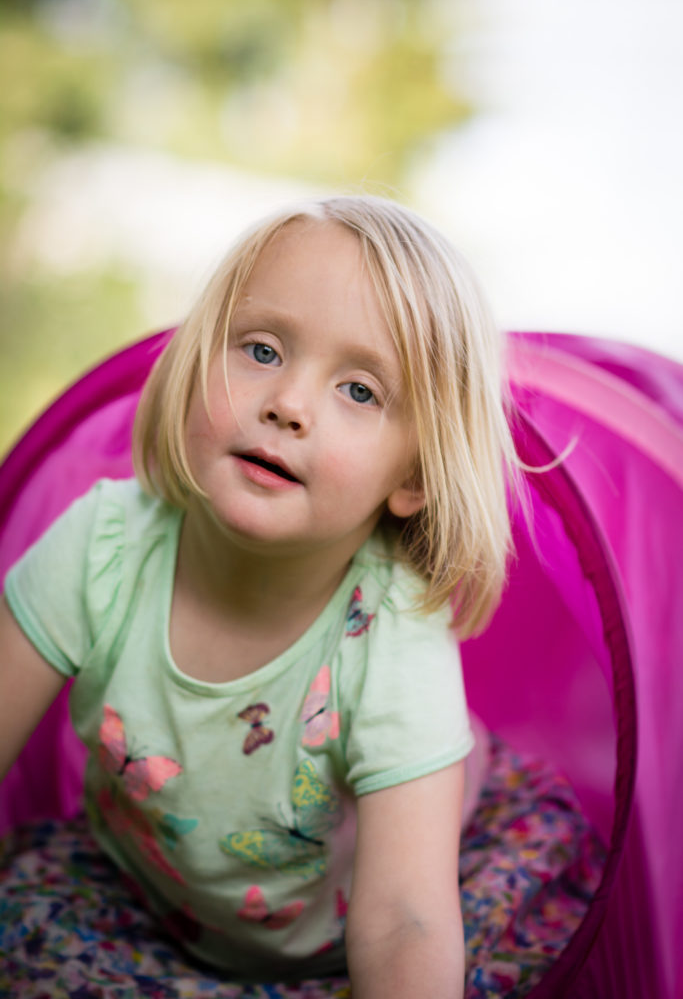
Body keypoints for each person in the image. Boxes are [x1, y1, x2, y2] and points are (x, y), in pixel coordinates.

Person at [0, 195, 518, 997]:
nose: (288, 404)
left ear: (413, 476)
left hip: (343, 942)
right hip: (138, 900)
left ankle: (464, 758)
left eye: (359, 391)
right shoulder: (103, 548)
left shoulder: (392, 637)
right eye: (263, 349)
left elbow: (407, 919)